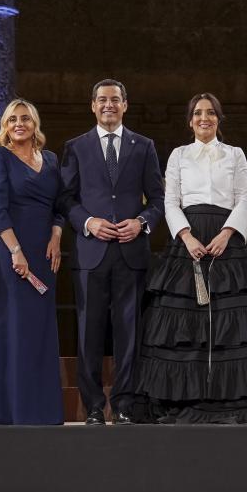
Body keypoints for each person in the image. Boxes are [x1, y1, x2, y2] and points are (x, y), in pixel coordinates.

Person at [134, 93, 247, 424]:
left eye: (210, 113)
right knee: (185, 322)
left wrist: (227, 233)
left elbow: (244, 197)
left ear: (219, 119)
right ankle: (189, 395)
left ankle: (237, 397)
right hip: (188, 240)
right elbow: (170, 200)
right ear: (189, 120)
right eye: (197, 113)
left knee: (238, 318)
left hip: (227, 240)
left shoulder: (235, 154)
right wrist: (187, 236)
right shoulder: (178, 155)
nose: (204, 118)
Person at [59, 79, 165, 425]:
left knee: (129, 332)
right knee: (89, 332)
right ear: (92, 105)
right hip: (90, 252)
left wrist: (142, 222)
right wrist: (88, 222)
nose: (108, 105)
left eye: (115, 100)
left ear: (125, 105)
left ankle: (123, 404)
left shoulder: (143, 146)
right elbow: (65, 199)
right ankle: (92, 406)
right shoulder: (75, 147)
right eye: (102, 99)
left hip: (131, 252)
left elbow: (160, 198)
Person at [0, 99, 65, 425]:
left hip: (44, 253)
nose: (19, 124)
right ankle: (7, 409)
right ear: (5, 125)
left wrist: (56, 235)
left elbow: (61, 204)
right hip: (9, 249)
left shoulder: (51, 160)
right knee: (11, 324)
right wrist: (15, 251)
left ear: (34, 123)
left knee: (39, 327)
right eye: (12, 119)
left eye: (25, 118)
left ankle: (40, 409)